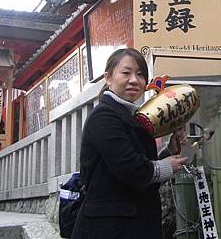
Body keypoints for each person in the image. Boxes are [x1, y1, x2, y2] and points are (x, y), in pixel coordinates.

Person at [71, 48, 188, 239]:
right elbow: (130, 169)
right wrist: (167, 166)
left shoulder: (133, 117)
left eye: (140, 74)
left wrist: (169, 150)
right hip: (109, 227)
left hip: (134, 223)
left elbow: (142, 168)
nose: (134, 80)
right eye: (126, 73)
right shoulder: (103, 116)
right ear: (108, 78)